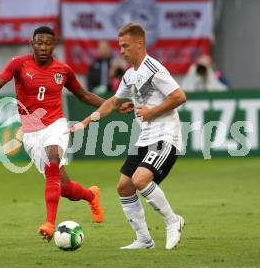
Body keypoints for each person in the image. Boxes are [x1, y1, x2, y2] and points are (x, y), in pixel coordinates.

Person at [0, 26, 132, 242]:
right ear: (32, 44)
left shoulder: (63, 70)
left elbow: (83, 95)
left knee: (53, 160)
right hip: (31, 132)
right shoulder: (19, 64)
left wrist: (113, 105)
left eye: (48, 43)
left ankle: (49, 223)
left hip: (55, 125)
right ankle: (90, 195)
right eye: (39, 43)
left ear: (54, 45)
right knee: (63, 187)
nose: (43, 47)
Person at [70, 22, 187, 250]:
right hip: (145, 137)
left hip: (165, 135)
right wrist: (85, 122)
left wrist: (151, 111)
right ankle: (144, 240)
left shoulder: (154, 69)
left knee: (140, 180)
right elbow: (113, 102)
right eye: (120, 46)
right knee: (124, 186)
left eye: (125, 46)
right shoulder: (130, 75)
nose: (121, 51)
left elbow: (179, 96)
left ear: (139, 43)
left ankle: (174, 222)